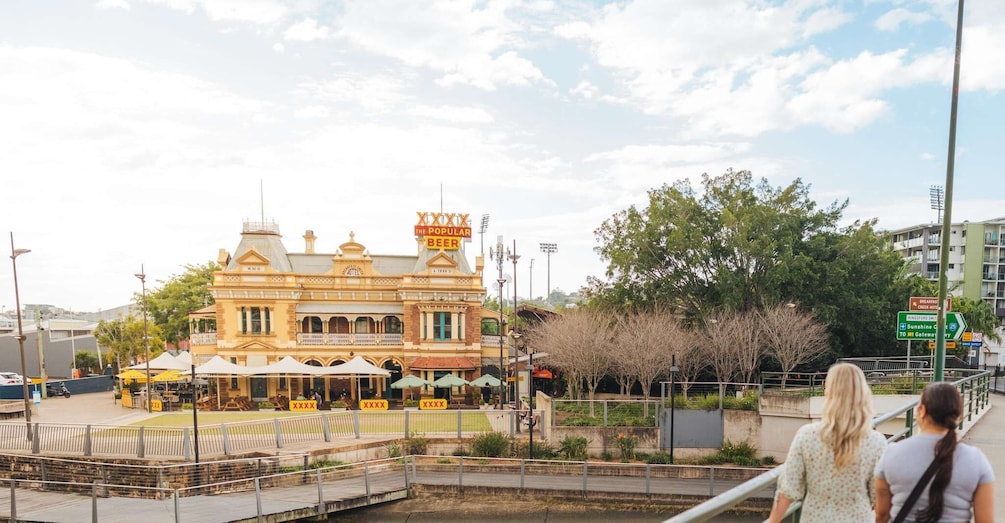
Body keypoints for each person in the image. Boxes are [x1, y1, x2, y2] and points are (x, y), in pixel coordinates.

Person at [768, 363, 888, 523]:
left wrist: (772, 521)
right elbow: (879, 498)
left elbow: (788, 490)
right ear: (863, 395)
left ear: (828, 393)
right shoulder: (877, 442)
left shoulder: (807, 435)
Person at [874, 382, 994, 523]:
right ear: (958, 415)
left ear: (922, 411)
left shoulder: (892, 453)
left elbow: (881, 515)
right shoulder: (976, 460)